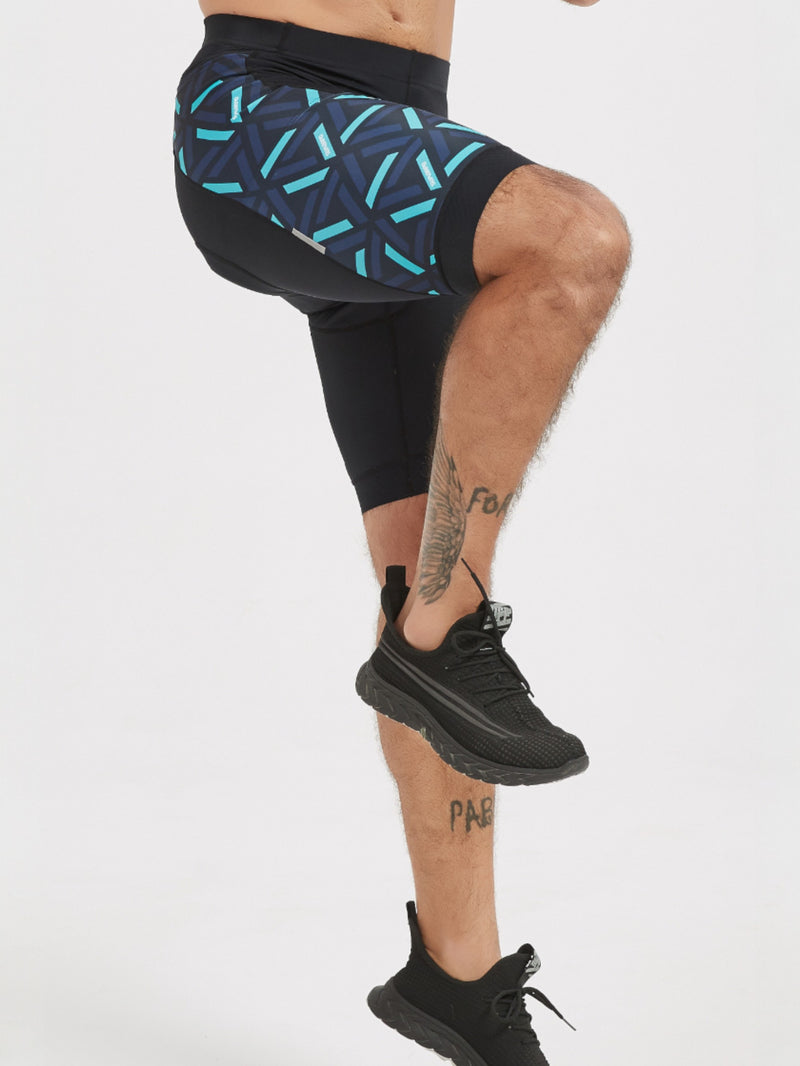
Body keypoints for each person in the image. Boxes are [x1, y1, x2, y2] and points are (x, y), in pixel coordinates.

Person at [172, 2, 630, 1062]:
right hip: (264, 112)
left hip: (399, 125)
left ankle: (459, 977)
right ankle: (439, 638)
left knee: (421, 586)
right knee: (572, 236)